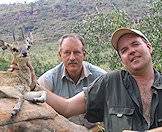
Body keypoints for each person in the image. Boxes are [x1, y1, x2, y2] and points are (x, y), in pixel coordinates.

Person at [10, 28, 162, 131]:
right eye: (124, 50)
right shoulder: (109, 82)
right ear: (121, 58)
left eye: (135, 44)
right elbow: (67, 108)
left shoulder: (99, 74)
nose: (131, 51)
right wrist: (28, 79)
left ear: (149, 47)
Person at [37, 34, 107, 128]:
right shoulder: (48, 80)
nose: (72, 58)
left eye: (77, 52)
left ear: (84, 55)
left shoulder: (100, 77)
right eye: (67, 52)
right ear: (60, 55)